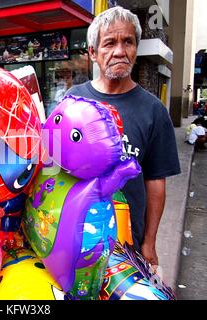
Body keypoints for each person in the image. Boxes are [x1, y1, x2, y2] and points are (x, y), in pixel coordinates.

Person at [64, 6, 181, 269]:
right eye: (110, 43)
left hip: (128, 244)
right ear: (93, 53)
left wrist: (149, 241)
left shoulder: (154, 110)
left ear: (136, 49)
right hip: (75, 236)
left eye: (128, 41)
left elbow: (155, 182)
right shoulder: (73, 100)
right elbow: (55, 166)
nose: (119, 51)